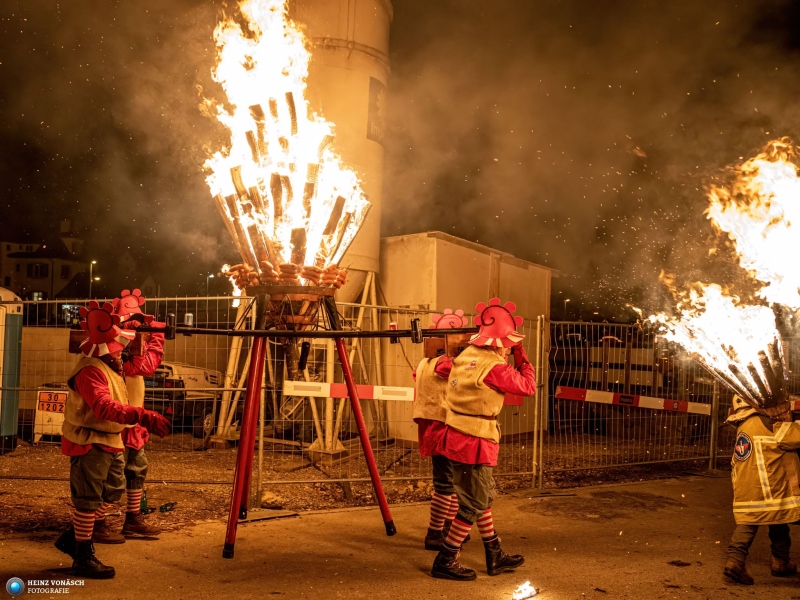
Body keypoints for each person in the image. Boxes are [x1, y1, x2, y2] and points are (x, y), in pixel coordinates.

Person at [53, 301, 171, 579]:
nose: (123, 351)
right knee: (88, 499)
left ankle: (74, 535)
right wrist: (142, 416)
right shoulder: (91, 370)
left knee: (113, 490)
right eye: (120, 346)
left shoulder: (111, 365)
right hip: (89, 440)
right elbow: (104, 407)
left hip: (109, 438)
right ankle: (83, 555)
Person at [431, 298, 536, 581]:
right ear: (501, 342)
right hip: (475, 439)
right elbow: (528, 386)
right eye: (509, 342)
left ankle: (494, 553)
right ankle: (446, 559)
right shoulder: (494, 367)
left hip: (456, 433)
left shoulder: (464, 356)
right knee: (474, 503)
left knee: (482, 495)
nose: (508, 347)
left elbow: (440, 368)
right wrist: (521, 356)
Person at [724, 394, 800, 585]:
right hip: (771, 482)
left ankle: (736, 561)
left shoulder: (743, 423)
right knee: (776, 517)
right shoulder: (768, 420)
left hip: (748, 483)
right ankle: (779, 561)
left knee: (756, 520)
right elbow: (792, 439)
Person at [412, 309, 471, 551]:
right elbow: (463, 376)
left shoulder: (425, 361)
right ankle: (435, 533)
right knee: (446, 483)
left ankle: (447, 526)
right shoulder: (445, 363)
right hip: (443, 425)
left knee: (451, 480)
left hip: (432, 424)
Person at [111, 289, 165, 539]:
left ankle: (131, 519)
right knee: (112, 475)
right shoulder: (116, 356)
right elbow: (148, 364)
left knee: (135, 469)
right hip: (116, 424)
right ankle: (96, 523)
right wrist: (156, 334)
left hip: (129, 422)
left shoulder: (121, 354)